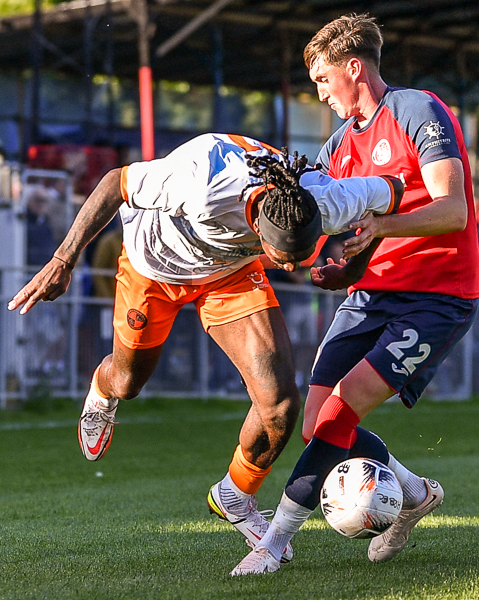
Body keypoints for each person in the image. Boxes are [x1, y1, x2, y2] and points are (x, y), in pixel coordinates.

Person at [7, 132, 403, 563]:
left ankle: (235, 495)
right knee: (128, 381)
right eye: (285, 257)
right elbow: (114, 183)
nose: (292, 266)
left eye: (301, 254)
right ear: (259, 228)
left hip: (230, 273)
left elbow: (392, 192)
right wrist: (63, 260)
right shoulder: (202, 179)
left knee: (280, 404)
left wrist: (354, 269)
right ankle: (103, 388)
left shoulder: (323, 196)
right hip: (153, 266)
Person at [232, 14, 479, 576]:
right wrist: (319, 260)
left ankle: (273, 543)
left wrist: (380, 226)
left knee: (340, 411)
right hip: (370, 295)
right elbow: (302, 215)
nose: (320, 94)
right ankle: (414, 494)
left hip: (437, 297)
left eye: (323, 80)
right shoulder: (339, 144)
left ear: (353, 68)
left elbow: (453, 210)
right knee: (316, 423)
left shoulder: (417, 110)